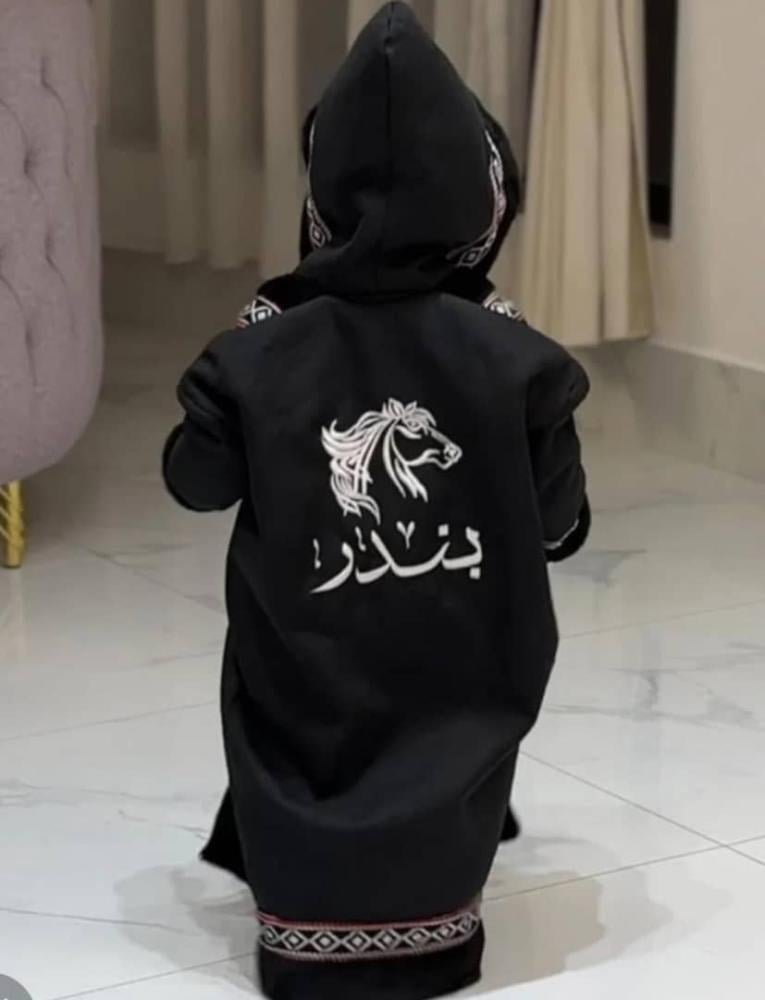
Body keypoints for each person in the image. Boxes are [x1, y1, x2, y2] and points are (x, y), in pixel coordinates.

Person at [162, 4, 589, 998]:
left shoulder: (260, 351)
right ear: (477, 198)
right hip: (457, 718)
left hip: (305, 716)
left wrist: (249, 352)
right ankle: (429, 924)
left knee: (290, 665)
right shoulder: (519, 361)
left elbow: (193, 482)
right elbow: (560, 526)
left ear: (323, 196)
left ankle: (307, 907)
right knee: (458, 670)